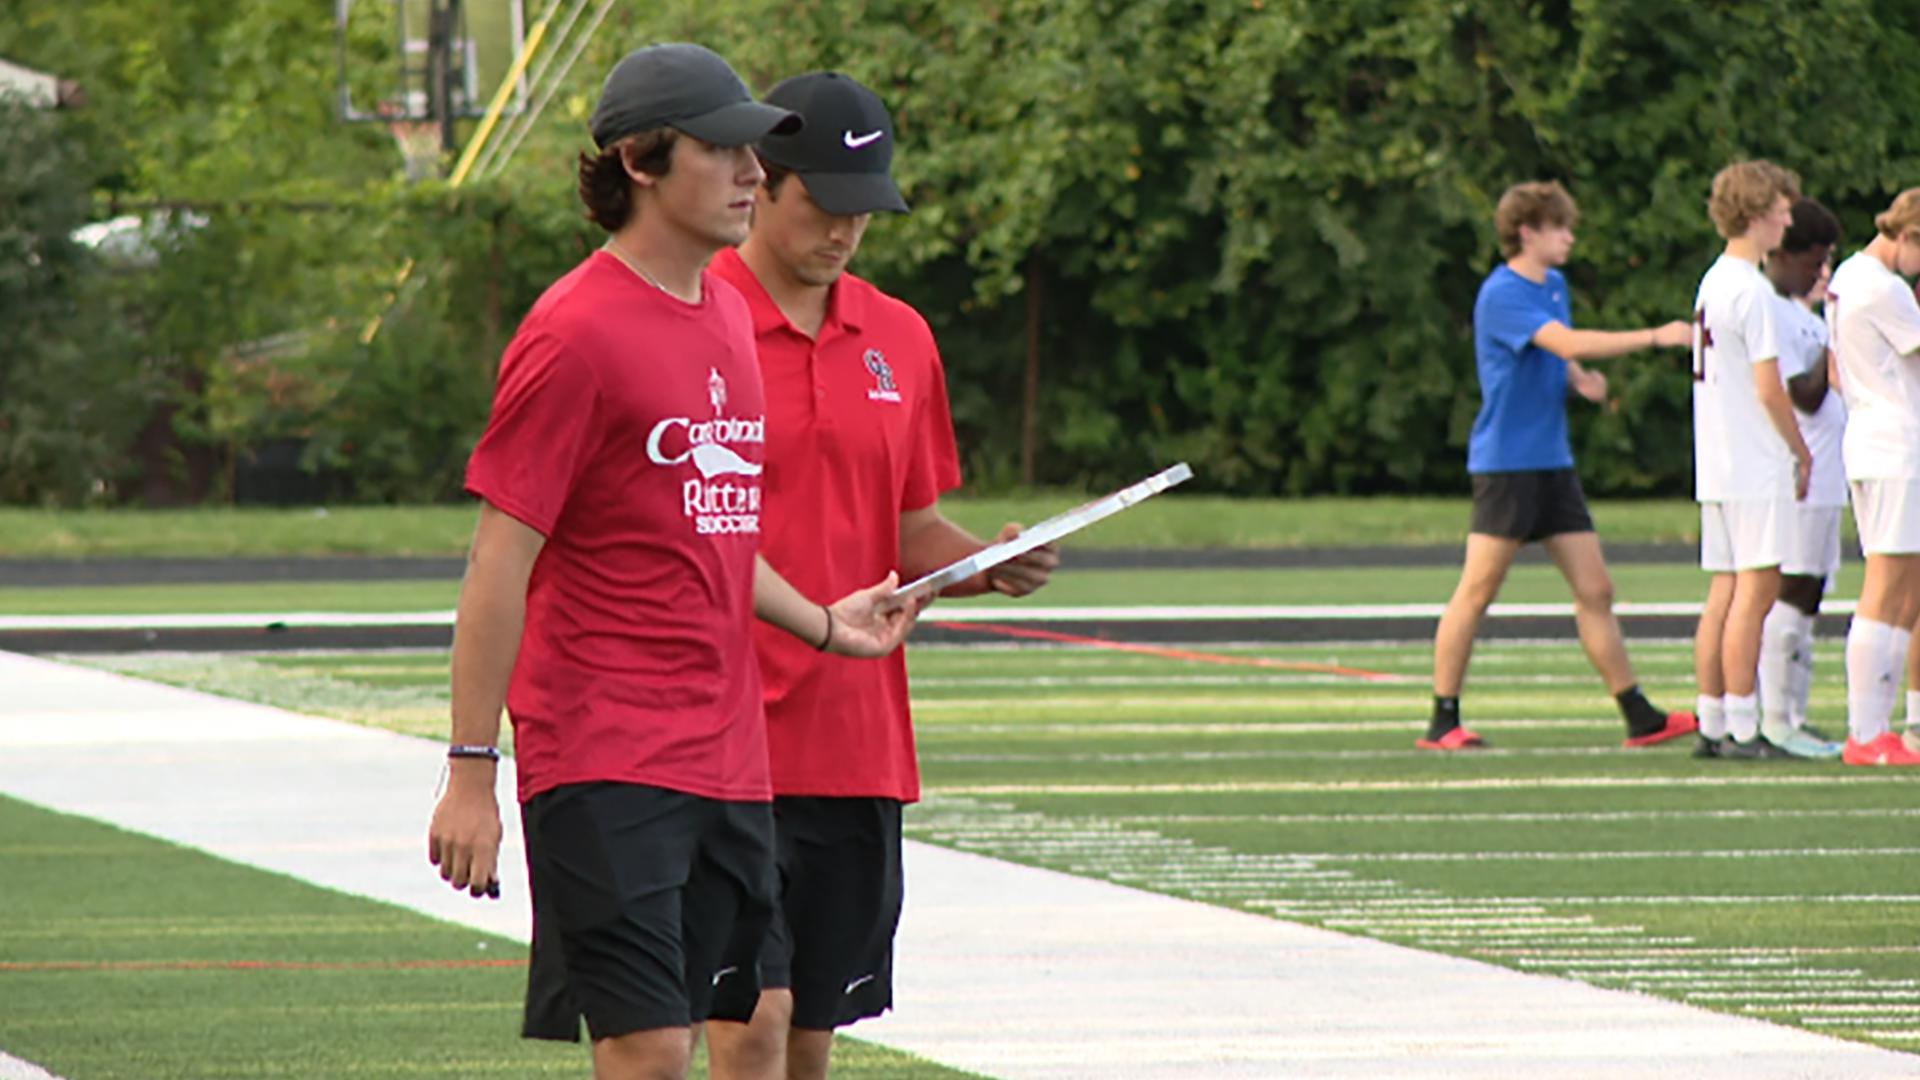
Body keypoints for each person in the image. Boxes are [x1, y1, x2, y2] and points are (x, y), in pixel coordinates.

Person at [422, 44, 918, 1080]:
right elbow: (498, 564)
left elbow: (717, 537)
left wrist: (832, 623)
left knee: (763, 1027)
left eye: (755, 152)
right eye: (724, 149)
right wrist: (472, 768)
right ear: (642, 162)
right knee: (649, 1046)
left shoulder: (728, 315)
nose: (751, 173)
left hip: (731, 761)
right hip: (604, 755)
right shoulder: (574, 331)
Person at [700, 72, 1056, 1080]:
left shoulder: (900, 336)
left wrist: (991, 562)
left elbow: (912, 529)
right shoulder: (693, 317)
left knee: (811, 1037)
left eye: (866, 211)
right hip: (721, 736)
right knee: (751, 1022)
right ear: (760, 183)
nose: (846, 233)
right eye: (825, 205)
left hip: (856, 740)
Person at [1423, 180, 1697, 752]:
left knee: (1596, 588)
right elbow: (1565, 341)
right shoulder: (1502, 293)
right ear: (1528, 232)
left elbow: (1555, 351)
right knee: (1477, 590)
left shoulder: (1555, 286)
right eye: (1560, 228)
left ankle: (1638, 715)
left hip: (1553, 461)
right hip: (1508, 464)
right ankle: (1443, 720)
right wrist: (1654, 336)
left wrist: (1580, 382)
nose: (1570, 237)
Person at [1688, 160, 1812, 760]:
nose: (1789, 217)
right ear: (1759, 213)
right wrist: (1800, 449)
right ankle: (1742, 724)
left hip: (1717, 459)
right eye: (1783, 208)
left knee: (1725, 591)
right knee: (1755, 595)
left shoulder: (1712, 281)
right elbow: (1770, 389)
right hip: (1754, 460)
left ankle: (1712, 719)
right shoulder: (1753, 291)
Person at [1826, 188, 1920, 766]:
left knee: (1904, 587)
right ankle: (1865, 732)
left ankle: (1885, 725)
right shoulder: (1880, 286)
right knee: (1886, 586)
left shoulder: (1849, 275)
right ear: (1907, 237)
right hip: (1895, 442)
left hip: (1876, 436)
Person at [1755, 198, 1845, 757]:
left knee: (1811, 593)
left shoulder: (1797, 312)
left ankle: (1796, 713)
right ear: (1785, 254)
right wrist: (1842, 332)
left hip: (1828, 472)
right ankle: (1777, 717)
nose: (1822, 271)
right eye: (1816, 258)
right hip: (1800, 471)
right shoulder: (1774, 311)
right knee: (1791, 591)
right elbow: (1804, 393)